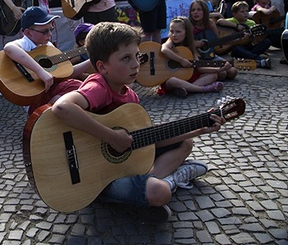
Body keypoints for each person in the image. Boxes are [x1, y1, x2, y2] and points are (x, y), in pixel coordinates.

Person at [52, 22, 226, 222]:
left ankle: (149, 185)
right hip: (96, 180)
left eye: (137, 56)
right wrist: (110, 136)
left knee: (186, 143)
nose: (136, 64)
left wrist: (199, 129)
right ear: (102, 66)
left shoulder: (131, 97)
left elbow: (148, 140)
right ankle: (168, 181)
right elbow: (62, 108)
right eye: (126, 58)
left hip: (120, 166)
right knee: (159, 192)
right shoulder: (98, 86)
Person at [3, 6, 92, 114]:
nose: (50, 34)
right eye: (44, 31)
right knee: (74, 86)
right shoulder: (25, 44)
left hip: (52, 93)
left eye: (51, 29)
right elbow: (9, 48)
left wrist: (92, 59)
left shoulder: (48, 46)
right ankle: (43, 113)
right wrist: (40, 71)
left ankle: (47, 114)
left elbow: (68, 73)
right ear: (28, 33)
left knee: (83, 86)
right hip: (34, 97)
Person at [157, 16, 227, 98]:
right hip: (171, 79)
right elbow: (164, 50)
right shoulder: (170, 42)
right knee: (172, 81)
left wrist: (219, 69)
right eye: (171, 31)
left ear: (186, 33)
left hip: (188, 78)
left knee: (213, 75)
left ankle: (186, 88)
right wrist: (181, 60)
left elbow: (199, 68)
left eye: (178, 32)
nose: (174, 35)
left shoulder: (191, 47)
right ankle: (203, 89)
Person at [188, 0, 238, 81]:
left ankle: (213, 72)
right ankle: (209, 74)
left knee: (233, 71)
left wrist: (238, 39)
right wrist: (193, 43)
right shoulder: (189, 24)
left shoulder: (210, 23)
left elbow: (219, 41)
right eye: (193, 10)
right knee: (222, 74)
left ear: (205, 11)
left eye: (199, 10)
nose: (195, 12)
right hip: (197, 58)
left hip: (209, 56)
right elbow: (183, 42)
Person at [217, 1, 272, 69]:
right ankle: (258, 59)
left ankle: (248, 56)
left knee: (267, 42)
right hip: (237, 47)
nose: (245, 13)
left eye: (246, 11)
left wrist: (249, 38)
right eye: (242, 12)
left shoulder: (251, 23)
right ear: (234, 14)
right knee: (236, 49)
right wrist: (236, 26)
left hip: (248, 46)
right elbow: (219, 21)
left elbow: (254, 40)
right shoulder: (232, 20)